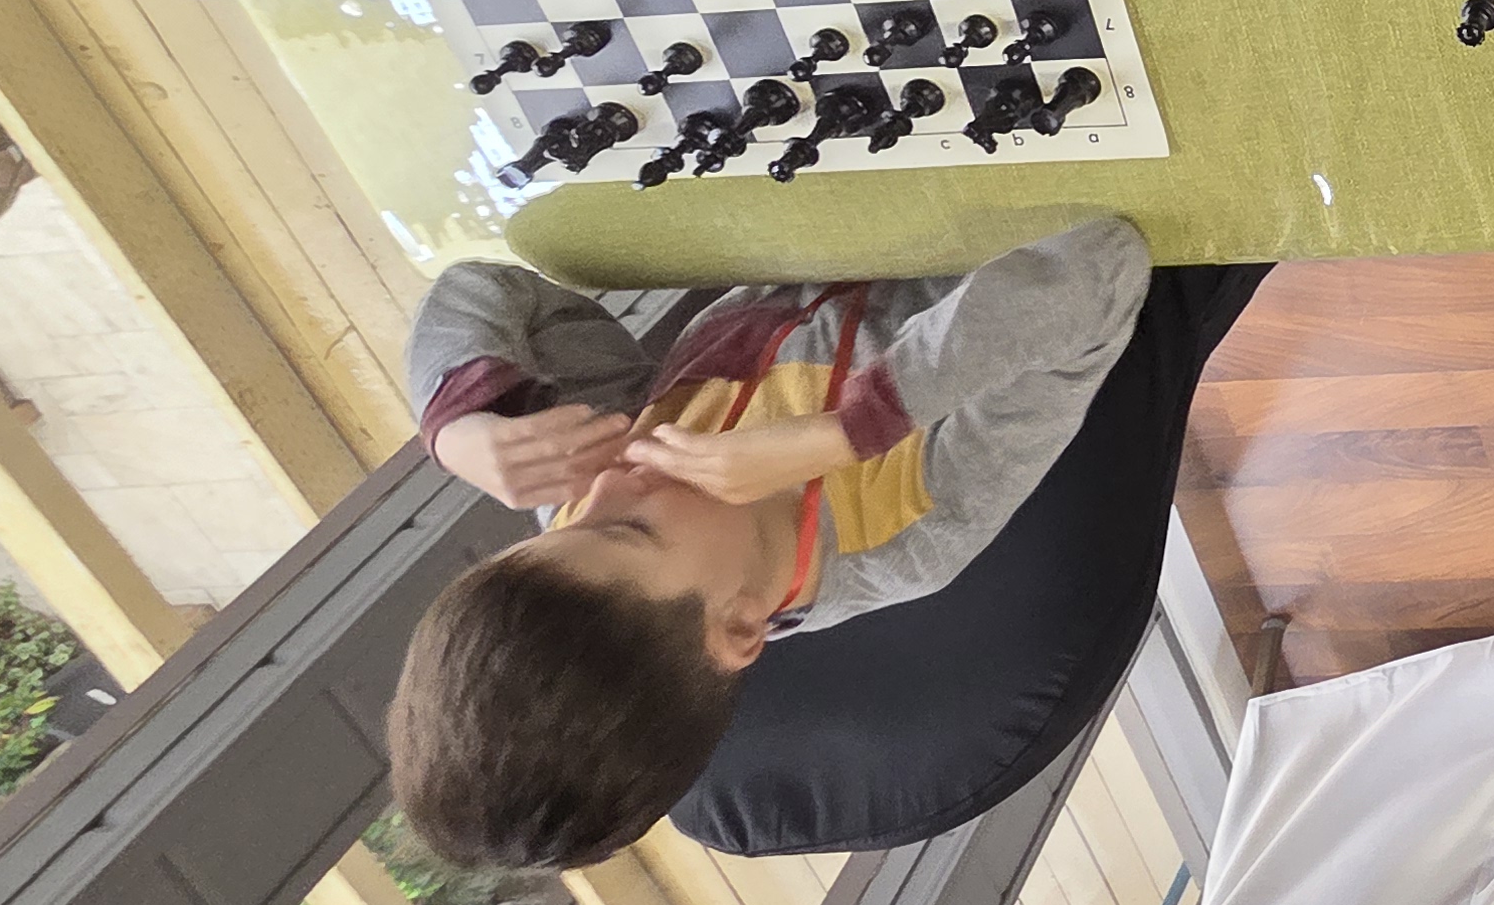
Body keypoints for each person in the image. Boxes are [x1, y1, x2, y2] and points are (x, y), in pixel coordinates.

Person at [387, 217, 1149, 871]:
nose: (609, 481)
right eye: (626, 528)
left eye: (558, 523)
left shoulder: (596, 478)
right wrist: (851, 430)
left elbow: (493, 290)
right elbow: (1101, 264)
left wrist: (458, 420)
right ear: (741, 625)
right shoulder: (910, 523)